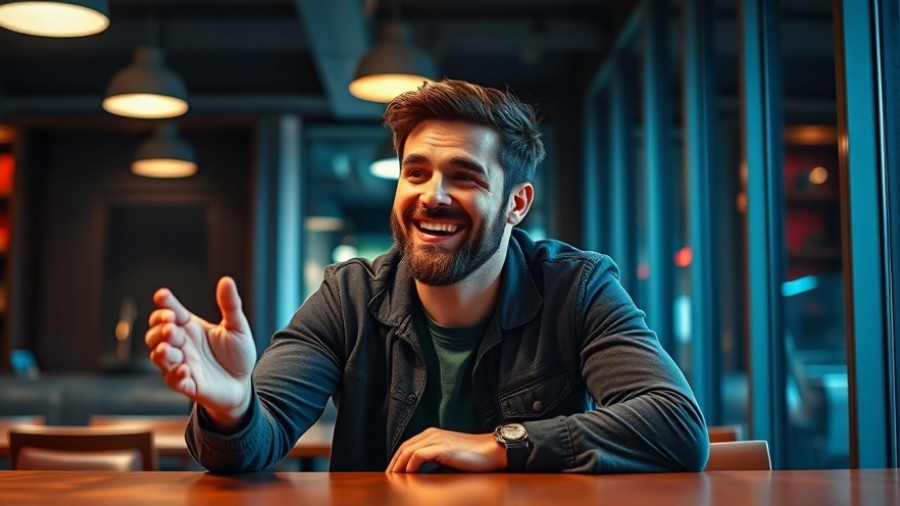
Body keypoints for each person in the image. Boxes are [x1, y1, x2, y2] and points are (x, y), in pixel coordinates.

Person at [145, 78, 709, 474]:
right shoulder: (348, 297)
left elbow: (677, 425)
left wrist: (504, 445)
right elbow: (250, 449)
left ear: (517, 203)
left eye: (464, 176)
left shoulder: (577, 288)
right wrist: (231, 407)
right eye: (415, 172)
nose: (431, 196)